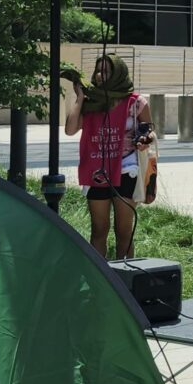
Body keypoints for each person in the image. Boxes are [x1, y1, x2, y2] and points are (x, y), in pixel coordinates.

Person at [63, 54, 154, 259]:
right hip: (96, 169)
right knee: (99, 229)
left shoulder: (136, 103)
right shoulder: (91, 101)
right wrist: (79, 99)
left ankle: (126, 278)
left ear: (118, 73)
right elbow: (70, 130)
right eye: (97, 70)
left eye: (105, 71)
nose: (99, 75)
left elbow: (150, 130)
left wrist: (145, 139)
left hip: (126, 168)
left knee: (123, 231)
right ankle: (99, 280)